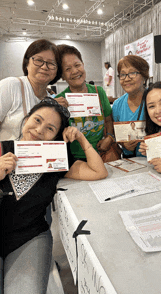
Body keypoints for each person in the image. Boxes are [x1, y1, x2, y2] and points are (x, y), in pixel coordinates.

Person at [0, 98, 108, 293]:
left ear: (55, 137)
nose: (40, 130)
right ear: (26, 120)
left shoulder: (55, 160)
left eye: (50, 129)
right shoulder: (1, 149)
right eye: (37, 120)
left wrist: (81, 138)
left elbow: (98, 172)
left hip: (29, 238)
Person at [55, 44, 114, 160]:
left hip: (101, 154)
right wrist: (51, 107)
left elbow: (108, 120)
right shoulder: (59, 101)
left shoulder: (99, 92)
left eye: (77, 65)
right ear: (62, 76)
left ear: (83, 65)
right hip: (75, 159)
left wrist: (110, 137)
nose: (75, 71)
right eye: (67, 69)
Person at [0, 39, 62, 141]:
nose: (44, 67)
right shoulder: (10, 86)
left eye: (51, 63)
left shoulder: (52, 101)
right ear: (27, 63)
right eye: (38, 60)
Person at [112, 55, 149, 157]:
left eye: (132, 73)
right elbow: (117, 135)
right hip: (130, 162)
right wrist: (124, 144)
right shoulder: (117, 105)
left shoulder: (153, 100)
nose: (126, 79)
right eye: (122, 74)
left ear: (144, 76)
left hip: (154, 162)